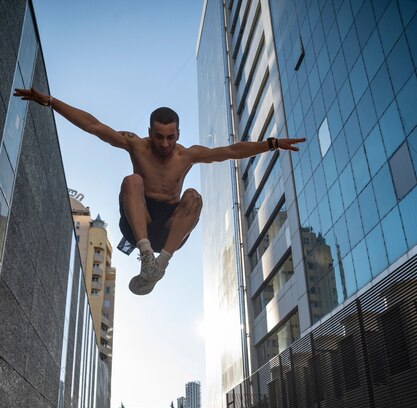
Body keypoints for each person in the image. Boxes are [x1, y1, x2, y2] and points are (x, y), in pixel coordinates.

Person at [14, 87, 305, 295]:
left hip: (169, 229)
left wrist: (272, 143)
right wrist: (51, 101)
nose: (164, 144)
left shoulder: (187, 155)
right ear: (148, 131)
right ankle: (145, 257)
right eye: (158, 136)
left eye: (170, 137)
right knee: (133, 181)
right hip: (138, 217)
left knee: (193, 196)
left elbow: (229, 151)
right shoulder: (134, 144)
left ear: (178, 134)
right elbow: (93, 126)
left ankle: (159, 265)